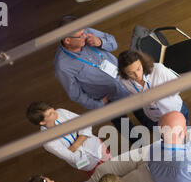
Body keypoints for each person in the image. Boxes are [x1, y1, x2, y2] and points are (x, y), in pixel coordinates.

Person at [54, 15, 136, 143]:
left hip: (127, 80)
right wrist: (99, 104)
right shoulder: (62, 66)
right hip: (110, 99)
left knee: (144, 112)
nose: (84, 36)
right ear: (67, 41)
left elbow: (113, 43)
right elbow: (76, 94)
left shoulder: (86, 32)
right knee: (128, 130)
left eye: (84, 32)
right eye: (80, 35)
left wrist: (100, 42)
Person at [26, 101, 110, 177]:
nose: (55, 112)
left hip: (98, 146)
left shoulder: (61, 112)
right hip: (87, 164)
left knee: (115, 165)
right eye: (50, 113)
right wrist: (83, 136)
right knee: (107, 180)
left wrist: (74, 146)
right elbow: (72, 158)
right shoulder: (47, 141)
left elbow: (86, 123)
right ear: (42, 122)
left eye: (52, 109)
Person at [118, 50, 190, 131]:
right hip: (154, 119)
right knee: (166, 140)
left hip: (175, 112)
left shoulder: (158, 70)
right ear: (124, 73)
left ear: (142, 62)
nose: (137, 75)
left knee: (186, 135)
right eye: (131, 73)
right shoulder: (124, 81)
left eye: (138, 68)